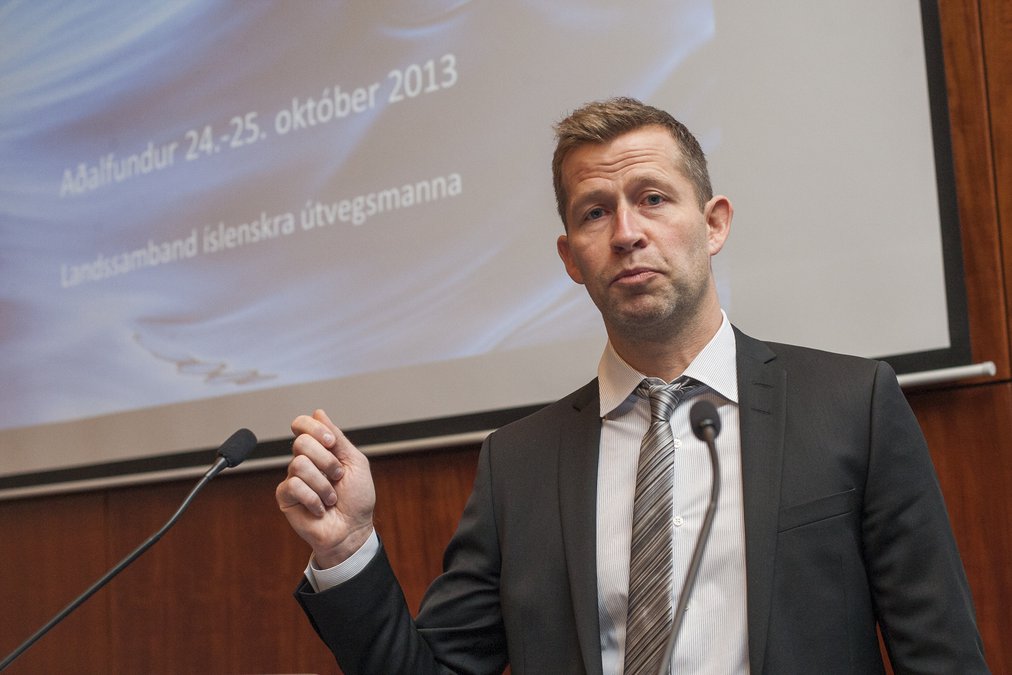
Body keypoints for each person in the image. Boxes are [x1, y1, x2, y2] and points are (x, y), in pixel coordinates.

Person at [275, 97, 988, 674]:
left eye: (652, 199)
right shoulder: (518, 464)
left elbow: (941, 655)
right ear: (570, 258)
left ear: (713, 224)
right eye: (595, 211)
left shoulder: (851, 405)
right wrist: (348, 548)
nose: (626, 232)